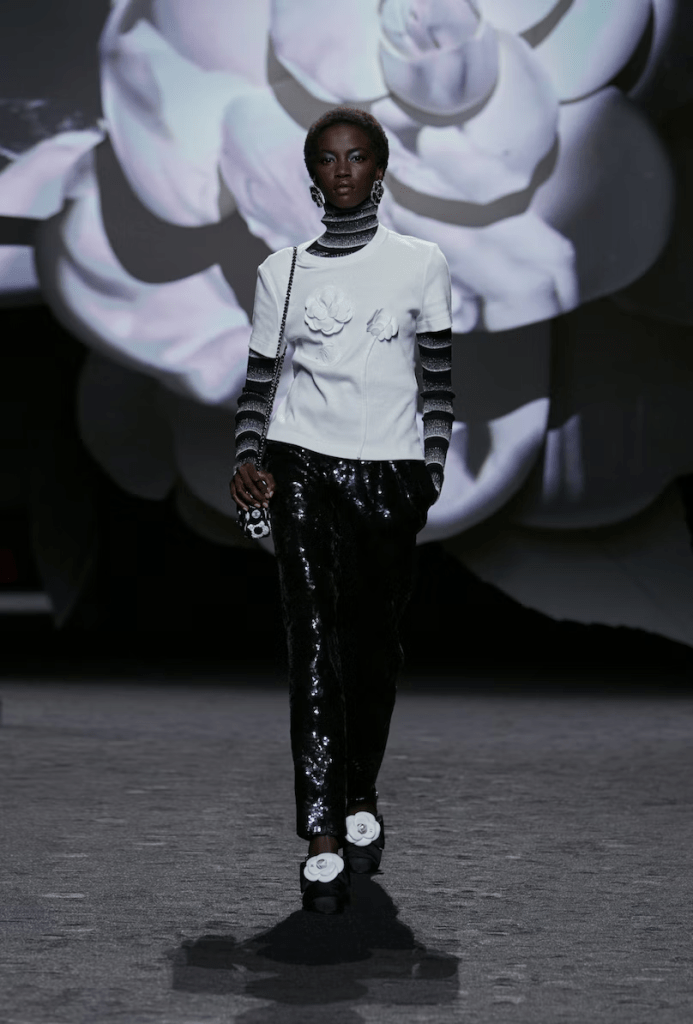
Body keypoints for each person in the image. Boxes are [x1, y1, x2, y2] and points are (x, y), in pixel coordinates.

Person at [230, 107, 454, 914]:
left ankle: (359, 791)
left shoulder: (422, 262)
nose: (343, 170)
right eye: (328, 159)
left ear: (379, 169)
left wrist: (429, 471)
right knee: (314, 647)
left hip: (391, 475)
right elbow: (259, 386)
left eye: (357, 156)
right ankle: (322, 832)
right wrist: (247, 460)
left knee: (372, 653)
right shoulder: (280, 271)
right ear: (312, 175)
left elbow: (437, 380)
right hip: (303, 470)